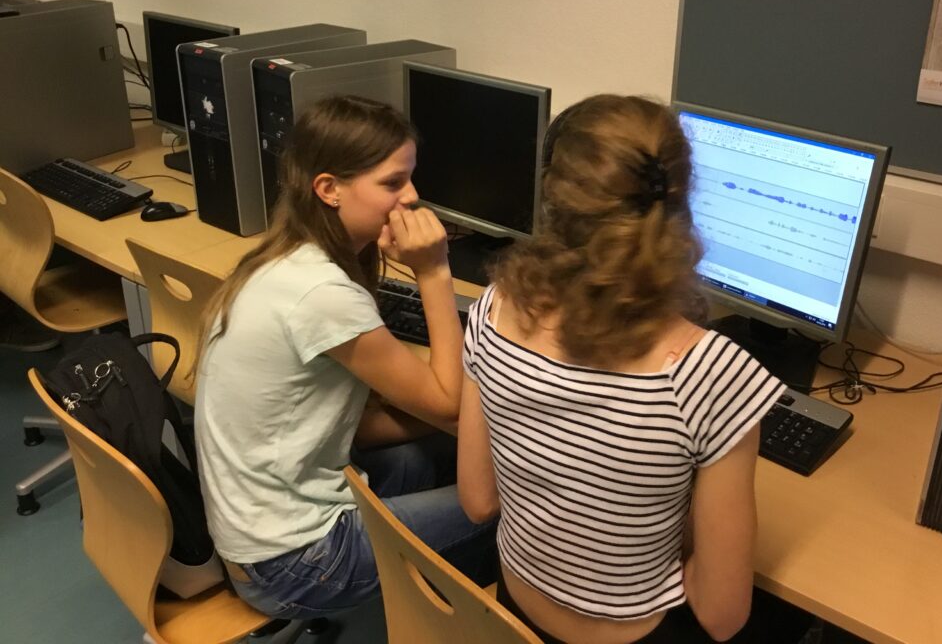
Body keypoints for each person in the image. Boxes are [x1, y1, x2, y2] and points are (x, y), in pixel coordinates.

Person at [457, 95, 787, 644]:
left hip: (514, 615)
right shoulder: (710, 373)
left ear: (555, 198)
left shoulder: (494, 309)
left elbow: (478, 501)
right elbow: (721, 615)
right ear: (681, 201)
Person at [193, 95, 495, 619]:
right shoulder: (322, 295)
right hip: (294, 564)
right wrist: (433, 271)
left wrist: (456, 421)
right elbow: (448, 404)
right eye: (393, 182)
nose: (412, 197)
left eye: (411, 178)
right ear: (329, 189)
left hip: (257, 537)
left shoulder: (283, 260)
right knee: (519, 507)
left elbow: (358, 425)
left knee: (454, 453)